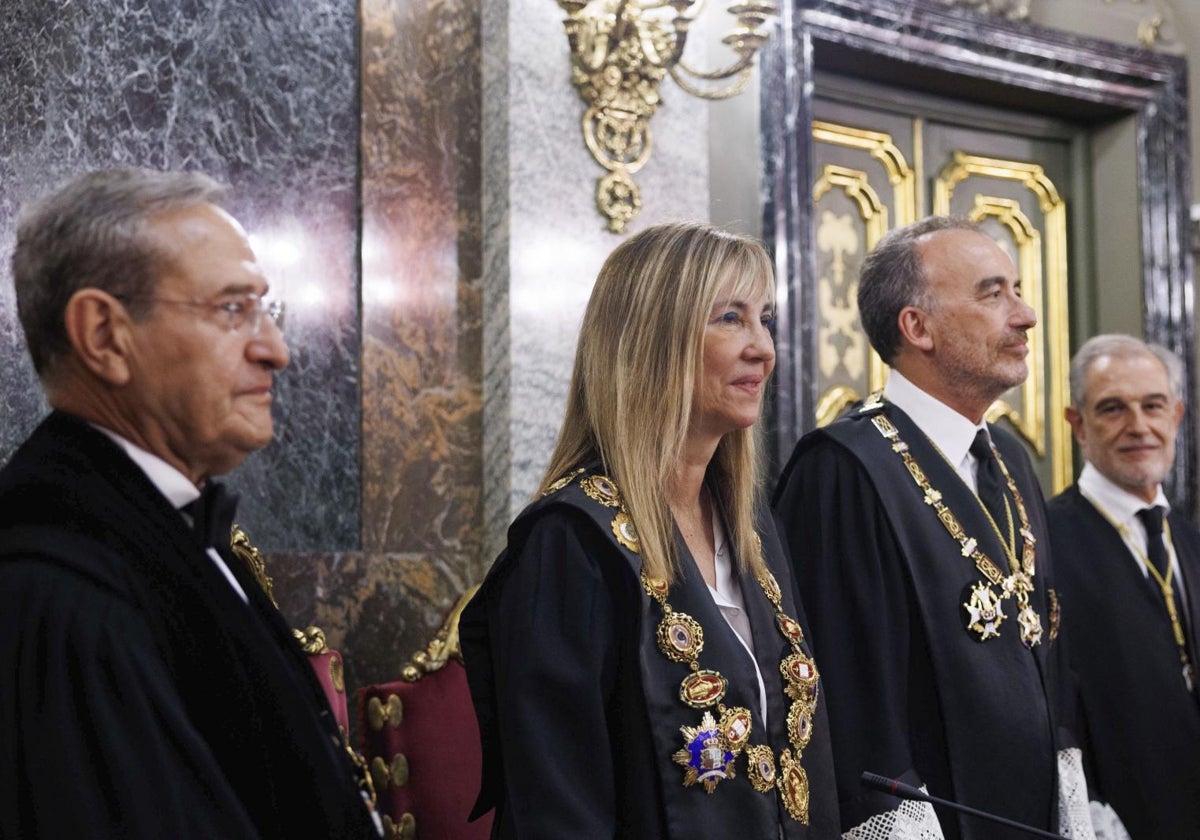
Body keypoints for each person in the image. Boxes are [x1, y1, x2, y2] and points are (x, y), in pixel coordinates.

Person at [0, 169, 380, 838]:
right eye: (232, 310)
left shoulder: (164, 529)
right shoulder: (61, 589)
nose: (276, 351)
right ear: (104, 335)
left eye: (267, 310)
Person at [461, 222, 838, 838]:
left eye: (764, 318)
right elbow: (557, 809)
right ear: (653, 341)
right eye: (730, 318)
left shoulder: (752, 526)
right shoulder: (572, 540)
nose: (764, 348)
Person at [773, 216, 1093, 838]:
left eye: (1019, 290)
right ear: (916, 327)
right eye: (992, 293)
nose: (1025, 314)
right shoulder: (842, 468)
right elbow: (846, 699)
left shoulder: (1011, 457)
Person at [1046, 334, 1200, 839]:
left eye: (1153, 406)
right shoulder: (1045, 542)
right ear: (1078, 425)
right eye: (1113, 409)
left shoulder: (1190, 540)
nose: (1139, 427)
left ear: (1175, 416)